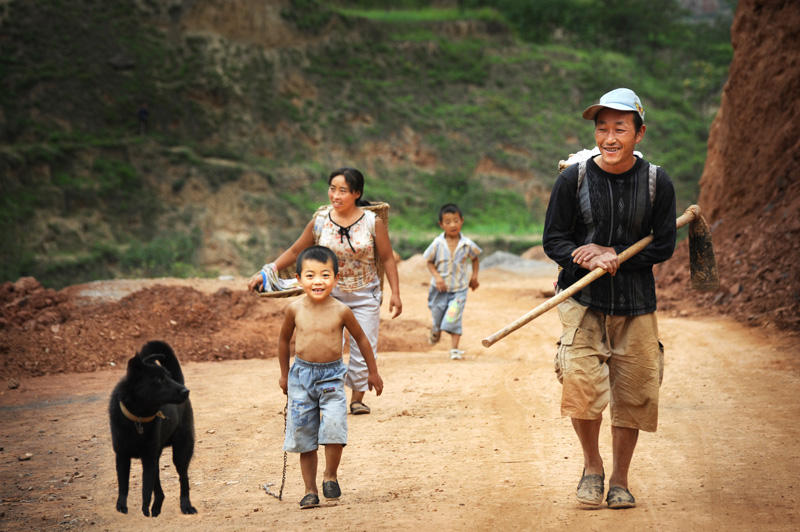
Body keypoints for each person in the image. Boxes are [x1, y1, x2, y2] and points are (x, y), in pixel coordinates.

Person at [542, 88, 677, 509]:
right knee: (581, 385)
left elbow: (664, 245)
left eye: (620, 128)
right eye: (602, 128)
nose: (609, 137)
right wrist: (588, 256)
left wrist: (618, 256)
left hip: (636, 304)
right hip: (583, 302)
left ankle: (620, 478)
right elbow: (554, 240)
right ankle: (592, 466)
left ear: (639, 132)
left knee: (634, 392)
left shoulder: (657, 181)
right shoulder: (574, 178)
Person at [248, 167, 401, 415]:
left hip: (365, 293)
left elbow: (387, 259)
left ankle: (357, 399)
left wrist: (395, 293)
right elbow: (296, 251)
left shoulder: (373, 223)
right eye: (332, 189)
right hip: (328, 294)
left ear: (356, 193)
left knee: (365, 345)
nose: (335, 195)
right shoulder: (320, 221)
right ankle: (326, 396)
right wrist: (268, 271)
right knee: (327, 346)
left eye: (343, 190)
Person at [277, 246, 384, 509]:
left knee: (335, 426)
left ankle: (330, 476)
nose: (318, 281)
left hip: (332, 377)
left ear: (336, 279)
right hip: (301, 377)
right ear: (299, 279)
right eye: (310, 275)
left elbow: (361, 339)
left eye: (325, 275)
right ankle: (309, 490)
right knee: (304, 434)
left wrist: (372, 371)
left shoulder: (341, 310)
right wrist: (283, 375)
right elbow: (283, 341)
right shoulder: (293, 309)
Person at [422, 203, 481, 360]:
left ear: (462, 220)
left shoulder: (467, 244)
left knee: (454, 317)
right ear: (441, 224)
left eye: (456, 220)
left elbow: (475, 259)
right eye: (448, 222)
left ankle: (454, 348)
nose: (453, 225)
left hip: (459, 289)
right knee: (438, 316)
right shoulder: (437, 243)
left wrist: (474, 277)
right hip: (439, 289)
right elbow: (429, 261)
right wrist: (437, 277)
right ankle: (436, 329)